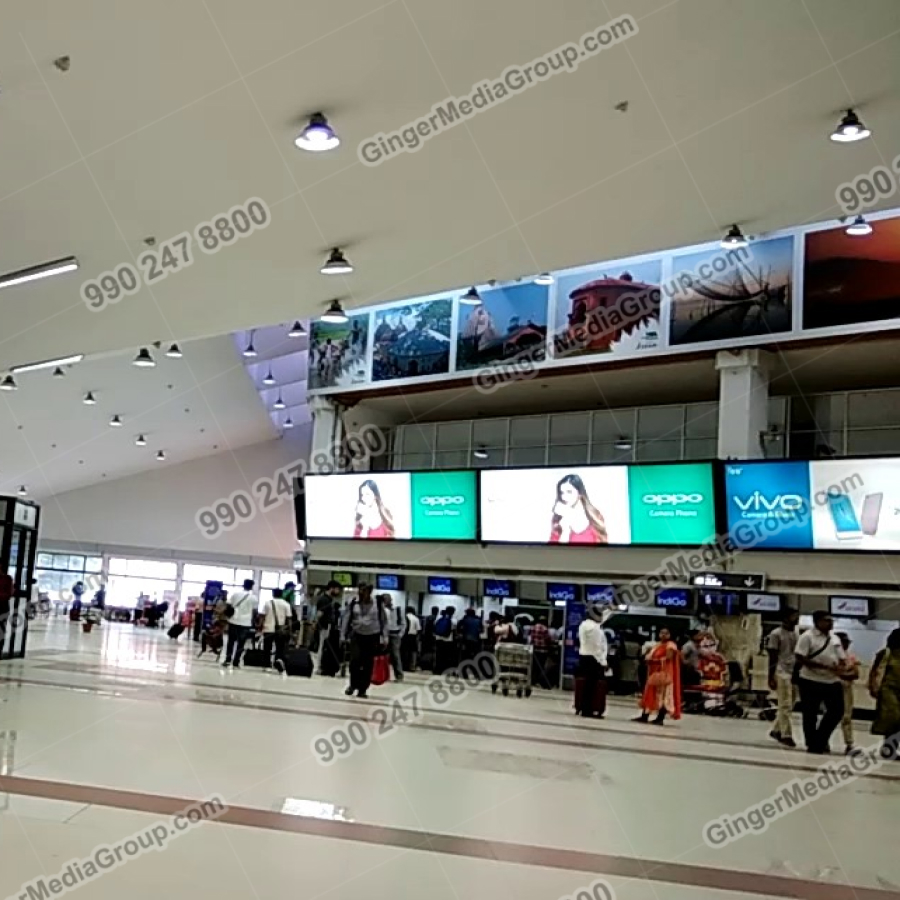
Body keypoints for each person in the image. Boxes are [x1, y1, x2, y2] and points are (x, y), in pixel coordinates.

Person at [795, 610, 847, 754]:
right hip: (810, 680)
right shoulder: (807, 637)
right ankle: (813, 743)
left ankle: (821, 738)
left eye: (831, 620)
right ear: (817, 622)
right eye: (827, 620)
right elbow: (800, 657)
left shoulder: (835, 638)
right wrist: (823, 666)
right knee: (810, 713)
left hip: (832, 680)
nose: (830, 623)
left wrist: (842, 665)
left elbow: (842, 657)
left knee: (837, 711)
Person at [343, 584, 387, 698]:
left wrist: (385, 637)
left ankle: (363, 689)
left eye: (365, 591)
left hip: (372, 636)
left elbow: (383, 621)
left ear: (369, 592)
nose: (362, 594)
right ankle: (353, 685)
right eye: (360, 591)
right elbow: (346, 618)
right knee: (355, 661)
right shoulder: (353, 602)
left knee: (368, 664)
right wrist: (343, 635)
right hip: (356, 635)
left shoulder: (377, 603)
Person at [767, 608, 800, 747]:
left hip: (793, 672)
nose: (797, 619)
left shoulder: (796, 634)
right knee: (785, 704)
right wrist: (771, 676)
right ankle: (786, 734)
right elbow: (772, 656)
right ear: (785, 618)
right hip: (781, 671)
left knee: (791, 703)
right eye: (794, 616)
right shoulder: (776, 634)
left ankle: (776, 729)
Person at [635, 627, 681, 724]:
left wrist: (653, 661)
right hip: (654, 672)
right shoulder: (658, 644)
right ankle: (644, 716)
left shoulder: (671, 645)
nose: (663, 635)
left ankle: (660, 719)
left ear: (670, 635)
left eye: (666, 633)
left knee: (663, 697)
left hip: (664, 674)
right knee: (650, 693)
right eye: (661, 633)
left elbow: (668, 658)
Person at [549, 474, 608, 544]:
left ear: (579, 493)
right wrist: (565, 531)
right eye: (562, 493)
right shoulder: (558, 518)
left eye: (569, 492)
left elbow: (603, 546)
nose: (564, 497)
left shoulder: (594, 515)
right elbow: (553, 551)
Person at [870, 628, 900, 760]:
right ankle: (888, 747)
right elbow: (874, 670)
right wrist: (872, 685)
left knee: (898, 721)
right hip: (889, 688)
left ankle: (890, 748)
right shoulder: (886, 653)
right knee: (893, 717)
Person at [577, 609, 608, 718]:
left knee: (585, 685)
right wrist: (603, 661)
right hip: (593, 659)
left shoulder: (583, 625)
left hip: (583, 657)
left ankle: (583, 708)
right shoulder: (595, 628)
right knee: (591, 686)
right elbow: (597, 647)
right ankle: (588, 710)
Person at [223, 579, 256, 669]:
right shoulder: (253, 598)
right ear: (251, 587)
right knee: (241, 643)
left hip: (233, 621)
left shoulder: (235, 594)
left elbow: (228, 605)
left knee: (231, 642)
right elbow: (254, 611)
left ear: (243, 585)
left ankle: (228, 659)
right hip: (245, 623)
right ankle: (236, 661)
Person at [836, 632, 860, 754]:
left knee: (847, 716)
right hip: (832, 688)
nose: (846, 645)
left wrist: (841, 674)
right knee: (829, 716)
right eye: (843, 642)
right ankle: (823, 741)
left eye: (847, 642)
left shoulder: (850, 657)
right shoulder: (831, 656)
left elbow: (855, 674)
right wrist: (846, 674)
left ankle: (849, 743)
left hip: (846, 689)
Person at [259, 588, 293, 673]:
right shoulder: (286, 604)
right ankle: (277, 663)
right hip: (280, 630)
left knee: (267, 648)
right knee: (280, 648)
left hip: (268, 629)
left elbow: (262, 616)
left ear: (273, 594)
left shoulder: (267, 603)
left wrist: (260, 626)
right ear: (281, 594)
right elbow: (289, 619)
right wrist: (290, 630)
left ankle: (266, 665)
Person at [315, 580, 343, 675]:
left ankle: (323, 666)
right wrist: (318, 624)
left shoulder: (330, 600)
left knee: (325, 647)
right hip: (324, 627)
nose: (338, 592)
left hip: (329, 627)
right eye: (337, 589)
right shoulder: (324, 600)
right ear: (332, 588)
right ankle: (319, 667)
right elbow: (319, 614)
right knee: (322, 647)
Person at [382, 594, 406, 681]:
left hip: (395, 634)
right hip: (384, 634)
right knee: (383, 655)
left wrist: (400, 635)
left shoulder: (398, 609)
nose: (386, 601)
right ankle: (383, 674)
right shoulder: (382, 610)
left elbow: (403, 623)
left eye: (387, 599)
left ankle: (399, 675)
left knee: (395, 655)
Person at [530, 616, 553, 689]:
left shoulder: (533, 628)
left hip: (535, 650)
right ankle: (539, 681)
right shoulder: (545, 629)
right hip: (543, 651)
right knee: (541, 667)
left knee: (535, 666)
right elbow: (548, 640)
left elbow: (532, 638)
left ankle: (533, 681)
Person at [433, 607, 457, 674]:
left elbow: (435, 626)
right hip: (448, 640)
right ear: (453, 612)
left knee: (439, 655)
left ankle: (437, 670)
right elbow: (454, 630)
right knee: (447, 656)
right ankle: (445, 669)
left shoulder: (439, 618)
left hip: (438, 639)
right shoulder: (453, 620)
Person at [420, 605, 440, 671]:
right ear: (437, 611)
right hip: (433, 637)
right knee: (432, 652)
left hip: (425, 637)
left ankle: (423, 665)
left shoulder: (426, 618)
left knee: (424, 651)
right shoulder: (437, 619)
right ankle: (430, 666)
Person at [401, 607, 421, 672]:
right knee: (413, 652)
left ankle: (404, 666)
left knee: (404, 651)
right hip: (413, 636)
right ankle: (412, 667)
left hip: (404, 636)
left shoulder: (403, 617)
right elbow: (418, 629)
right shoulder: (416, 618)